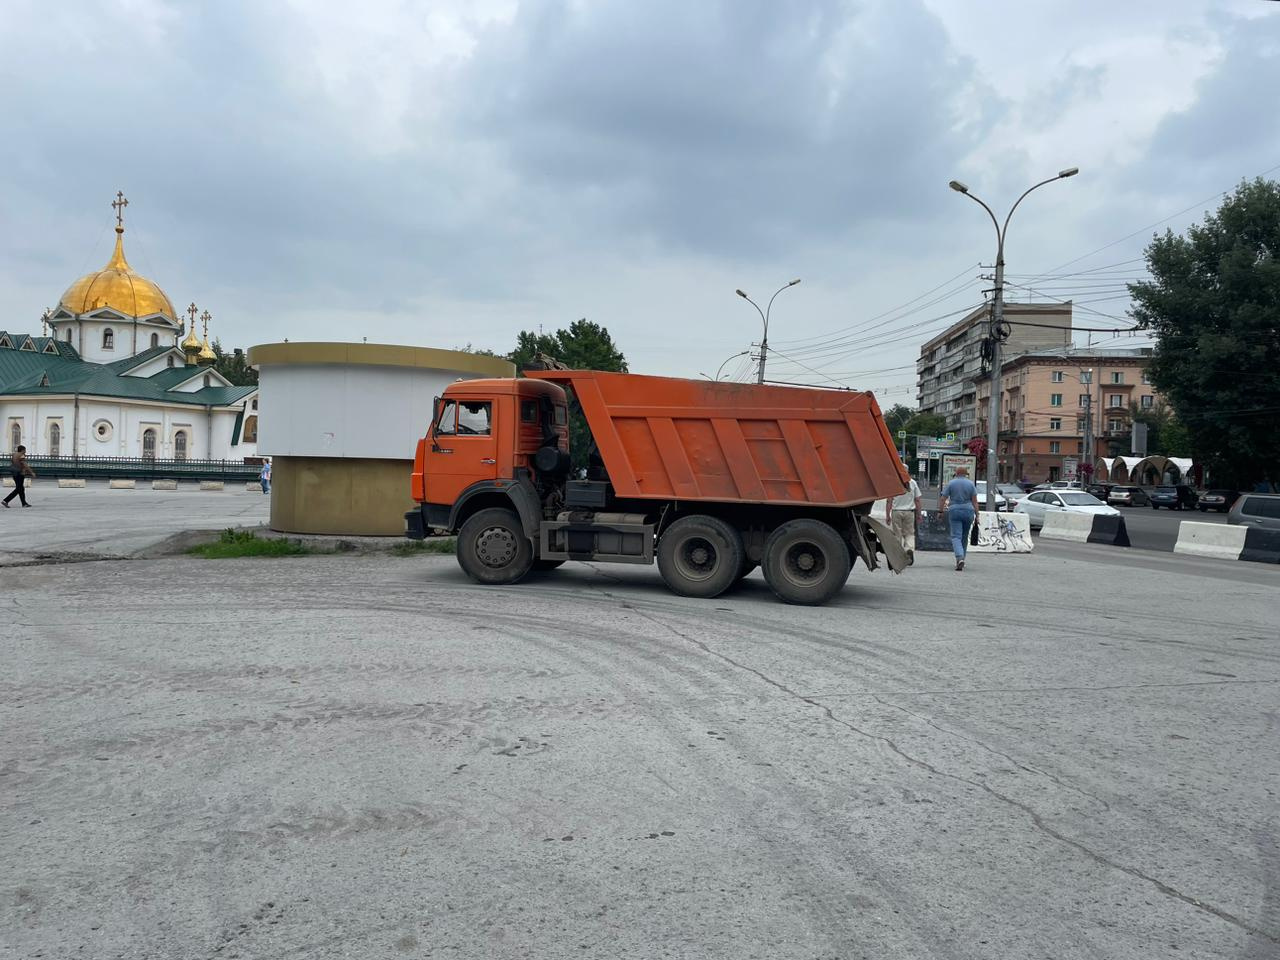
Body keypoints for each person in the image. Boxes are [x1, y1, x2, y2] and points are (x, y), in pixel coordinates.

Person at [939, 465, 979, 572]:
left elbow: (943, 498)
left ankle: (959, 557)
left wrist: (940, 511)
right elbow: (975, 501)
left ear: (956, 473)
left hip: (955, 510)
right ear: (966, 474)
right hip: (969, 511)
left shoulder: (951, 483)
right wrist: (977, 515)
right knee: (964, 537)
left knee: (956, 536)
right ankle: (962, 559)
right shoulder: (971, 484)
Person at [884, 473, 923, 564]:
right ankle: (908, 549)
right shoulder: (912, 482)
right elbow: (917, 500)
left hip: (896, 512)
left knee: (897, 534)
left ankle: (898, 556)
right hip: (909, 512)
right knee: (909, 533)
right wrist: (919, 514)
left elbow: (889, 500)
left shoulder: (893, 482)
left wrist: (887, 515)